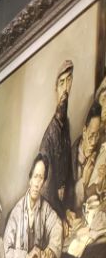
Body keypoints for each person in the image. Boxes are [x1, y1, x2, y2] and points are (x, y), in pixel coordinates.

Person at [39, 60, 74, 218]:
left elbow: (69, 175)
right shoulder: (49, 137)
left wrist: (69, 209)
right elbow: (46, 191)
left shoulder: (66, 125)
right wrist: (62, 215)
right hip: (51, 214)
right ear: (55, 90)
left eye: (69, 80)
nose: (65, 88)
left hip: (64, 208)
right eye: (61, 83)